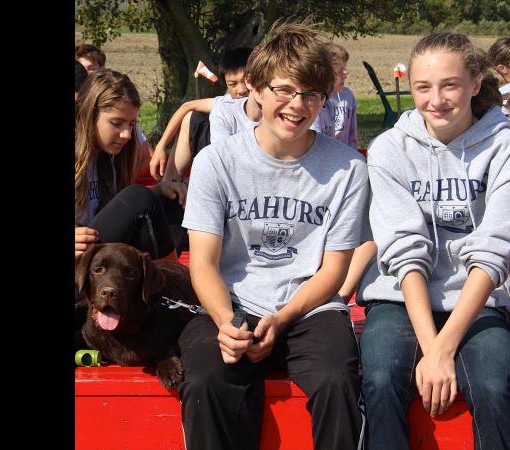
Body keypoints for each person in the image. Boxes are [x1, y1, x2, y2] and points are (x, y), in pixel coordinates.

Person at [177, 21, 368, 450]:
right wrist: (227, 323)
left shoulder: (348, 168)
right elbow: (203, 263)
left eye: (311, 94)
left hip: (310, 307)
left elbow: (334, 270)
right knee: (207, 379)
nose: (297, 105)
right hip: (232, 302)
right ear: (256, 90)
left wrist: (281, 320)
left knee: (338, 379)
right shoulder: (216, 161)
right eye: (284, 90)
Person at [358, 31, 510, 450]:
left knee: (493, 383)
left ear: (474, 83)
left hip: (480, 296)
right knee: (378, 378)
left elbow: (495, 250)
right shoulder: (390, 148)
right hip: (402, 296)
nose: (436, 100)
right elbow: (404, 250)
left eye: (449, 85)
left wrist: (443, 349)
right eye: (423, 88)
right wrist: (433, 349)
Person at [74, 69, 186, 259]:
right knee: (139, 196)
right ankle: (175, 282)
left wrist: (159, 190)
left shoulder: (112, 157)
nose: (126, 134)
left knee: (173, 200)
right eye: (116, 123)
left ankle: (160, 277)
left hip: (100, 245)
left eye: (131, 124)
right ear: (89, 115)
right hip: (83, 255)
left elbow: (116, 210)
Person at [149, 47, 253, 182]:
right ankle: (169, 184)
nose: (241, 90)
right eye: (233, 84)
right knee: (190, 118)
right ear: (226, 84)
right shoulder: (224, 103)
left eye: (246, 81)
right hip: (218, 165)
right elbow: (186, 106)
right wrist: (161, 146)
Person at [311, 42, 358, 149]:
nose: (345, 75)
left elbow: (353, 134)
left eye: (345, 69)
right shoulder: (316, 100)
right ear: (325, 74)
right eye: (340, 71)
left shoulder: (347, 96)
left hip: (345, 155)